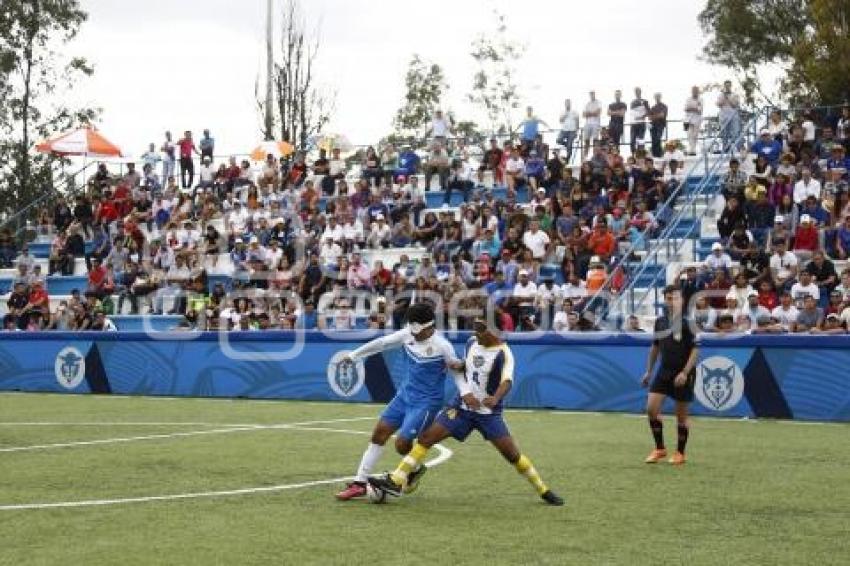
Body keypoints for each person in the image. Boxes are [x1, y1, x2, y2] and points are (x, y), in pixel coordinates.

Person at [368, 318, 564, 506]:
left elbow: (507, 381)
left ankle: (543, 490)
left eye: (480, 328)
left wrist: (495, 398)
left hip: (488, 414)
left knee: (512, 455)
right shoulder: (471, 343)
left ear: (494, 331)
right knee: (426, 438)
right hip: (460, 408)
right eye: (475, 327)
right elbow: (467, 367)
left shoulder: (504, 353)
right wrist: (460, 365)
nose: (475, 333)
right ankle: (397, 479)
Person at [334, 303, 465, 501]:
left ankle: (414, 469)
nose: (413, 334)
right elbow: (382, 343)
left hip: (427, 402)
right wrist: (353, 356)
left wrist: (466, 393)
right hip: (404, 396)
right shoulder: (407, 334)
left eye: (417, 330)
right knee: (379, 433)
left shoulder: (443, 346)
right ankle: (360, 483)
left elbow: (456, 373)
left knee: (402, 444)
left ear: (430, 327)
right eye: (411, 328)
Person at [641, 286, 699, 465]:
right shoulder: (660, 322)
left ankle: (680, 453)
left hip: (683, 373)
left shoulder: (690, 322)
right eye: (668, 298)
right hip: (664, 371)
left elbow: (695, 350)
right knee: (651, 409)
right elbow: (655, 347)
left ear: (682, 300)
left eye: (675, 298)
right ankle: (660, 449)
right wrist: (649, 371)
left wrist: (685, 372)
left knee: (681, 416)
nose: (672, 301)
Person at [683, 86, 703, 156]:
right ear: (692, 91)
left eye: (696, 90)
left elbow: (700, 110)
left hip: (697, 120)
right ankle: (691, 149)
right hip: (688, 120)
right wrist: (694, 108)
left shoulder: (700, 99)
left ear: (698, 91)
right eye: (693, 90)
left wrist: (692, 108)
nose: (695, 92)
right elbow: (685, 108)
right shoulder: (688, 99)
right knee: (689, 135)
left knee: (695, 135)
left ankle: (694, 149)